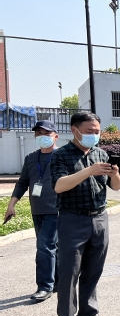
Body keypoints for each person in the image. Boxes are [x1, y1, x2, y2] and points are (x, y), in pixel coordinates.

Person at [50, 111, 120, 316]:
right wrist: (89, 171)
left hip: (99, 218)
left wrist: (115, 175)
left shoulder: (101, 153)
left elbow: (116, 187)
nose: (94, 135)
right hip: (72, 219)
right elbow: (59, 185)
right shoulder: (61, 155)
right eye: (89, 131)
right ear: (75, 130)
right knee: (69, 273)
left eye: (97, 131)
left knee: (93, 270)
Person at [4, 120, 60, 302]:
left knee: (44, 246)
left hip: (56, 209)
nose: (42, 137)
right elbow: (22, 183)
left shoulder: (62, 156)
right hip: (37, 209)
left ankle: (44, 286)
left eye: (46, 133)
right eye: (38, 134)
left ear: (56, 136)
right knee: (51, 247)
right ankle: (58, 281)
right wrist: (11, 204)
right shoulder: (30, 158)